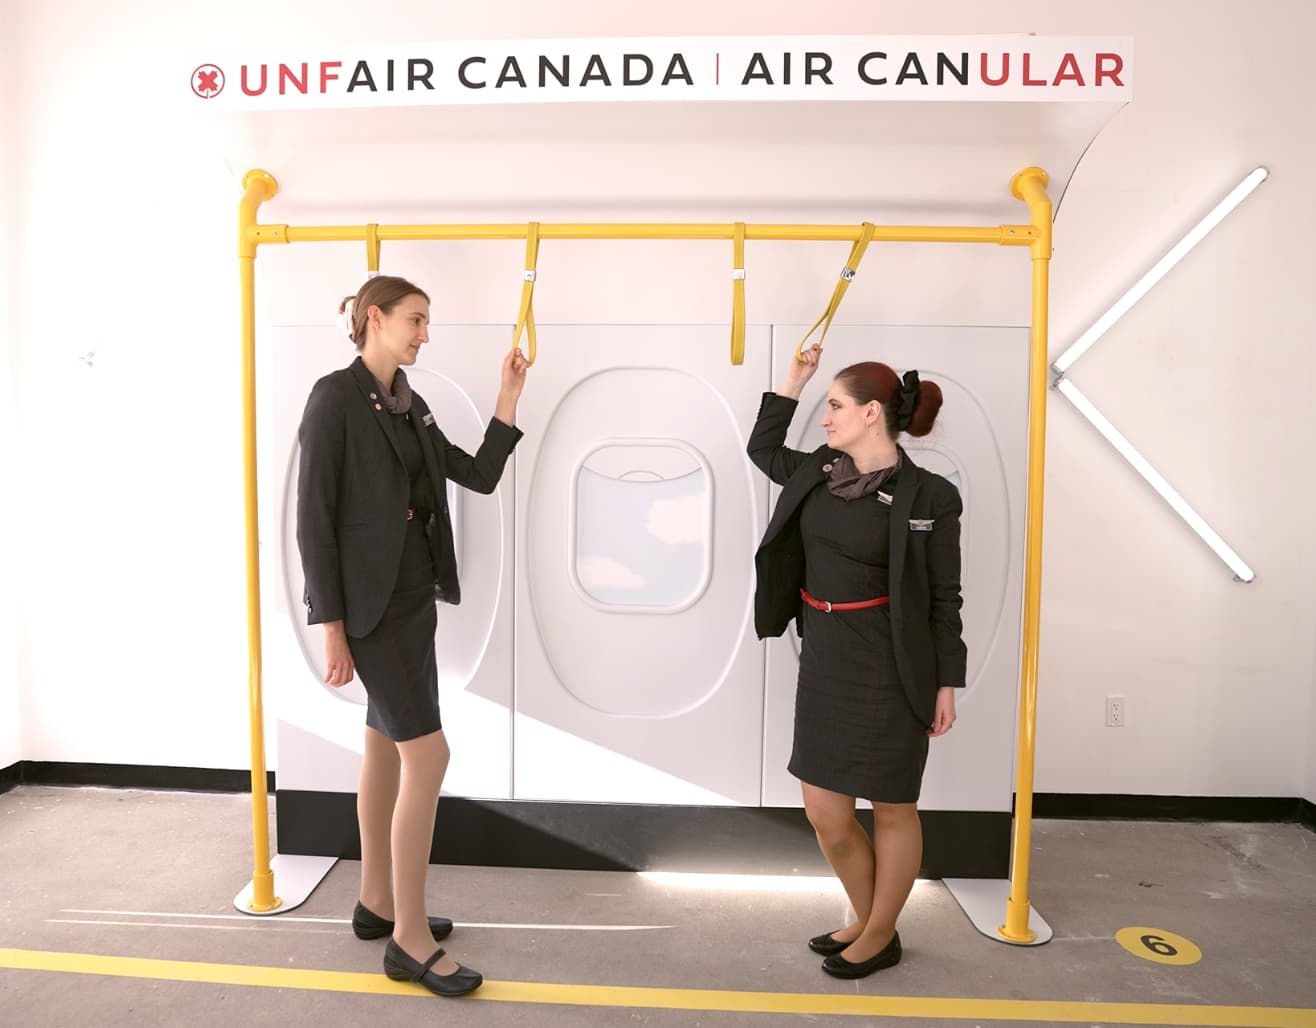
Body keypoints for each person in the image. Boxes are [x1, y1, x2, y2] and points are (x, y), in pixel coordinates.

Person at [296, 274, 528, 998]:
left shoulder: (408, 405)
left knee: (384, 747)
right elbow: (315, 521)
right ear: (375, 318)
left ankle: (376, 901)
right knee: (428, 757)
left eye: (428, 323)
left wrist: (508, 399)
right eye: (416, 320)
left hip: (412, 602)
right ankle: (409, 939)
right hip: (371, 612)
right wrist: (331, 627)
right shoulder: (335, 398)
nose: (426, 334)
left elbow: (478, 476)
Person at [748, 343, 965, 980]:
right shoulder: (818, 470)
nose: (826, 418)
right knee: (826, 810)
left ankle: (875, 934)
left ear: (873, 413)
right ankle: (874, 924)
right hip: (826, 657)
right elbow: (764, 448)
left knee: (893, 806)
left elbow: (946, 596)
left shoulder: (931, 496)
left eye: (834, 406)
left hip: (894, 664)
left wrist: (946, 680)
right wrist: (795, 379)